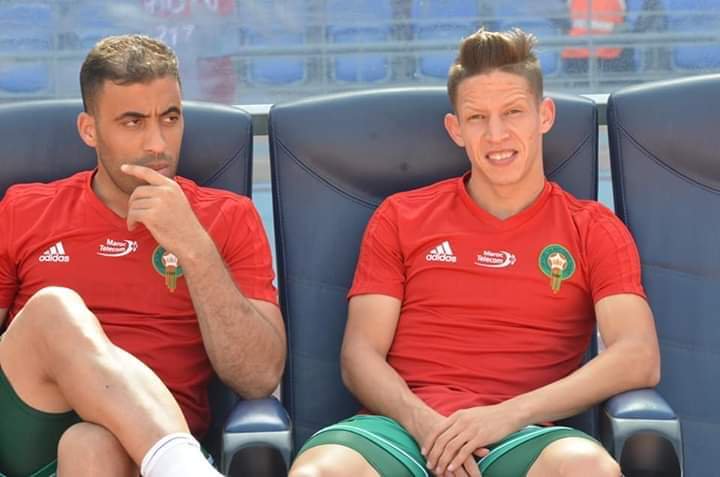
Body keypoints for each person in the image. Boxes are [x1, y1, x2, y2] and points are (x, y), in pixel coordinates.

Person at [289, 28, 659, 477]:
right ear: (456, 129)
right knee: (317, 473)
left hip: (520, 434)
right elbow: (359, 356)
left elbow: (638, 355)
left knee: (589, 468)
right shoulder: (401, 216)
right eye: (477, 117)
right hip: (401, 429)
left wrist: (508, 414)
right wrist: (427, 426)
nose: (496, 134)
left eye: (513, 112)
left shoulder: (592, 229)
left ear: (544, 115)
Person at [0, 34, 285, 477]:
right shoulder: (25, 208)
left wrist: (194, 247)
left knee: (93, 443)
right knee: (53, 308)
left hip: (136, 455)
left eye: (170, 118)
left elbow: (259, 377)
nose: (157, 143)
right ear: (89, 130)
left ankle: (172, 458)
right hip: (33, 426)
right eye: (133, 122)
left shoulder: (227, 217)